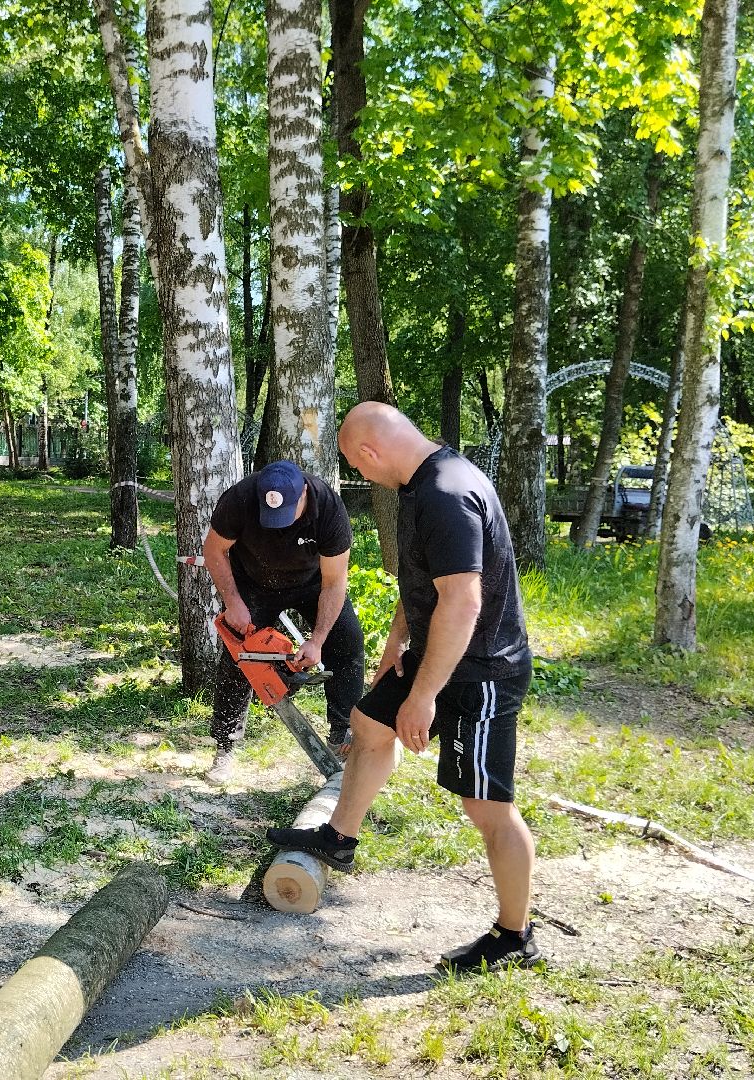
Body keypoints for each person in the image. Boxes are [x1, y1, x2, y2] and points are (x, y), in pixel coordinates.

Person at [268, 402, 539, 972]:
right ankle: (340, 838)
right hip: (435, 653)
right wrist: (396, 648)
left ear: (371, 451)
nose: (359, 474)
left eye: (356, 464)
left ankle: (515, 936)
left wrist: (422, 696)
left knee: (487, 807)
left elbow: (462, 601)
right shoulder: (424, 483)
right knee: (369, 723)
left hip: (480, 671)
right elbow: (423, 581)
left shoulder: (446, 494)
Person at [203, 459, 365, 782]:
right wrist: (233, 603)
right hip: (253, 582)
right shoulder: (240, 498)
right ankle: (225, 746)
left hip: (313, 583)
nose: (278, 526)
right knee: (239, 658)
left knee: (347, 641)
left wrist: (317, 640)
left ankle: (343, 735)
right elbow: (213, 550)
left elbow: (334, 583)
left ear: (303, 493)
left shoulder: (328, 509)